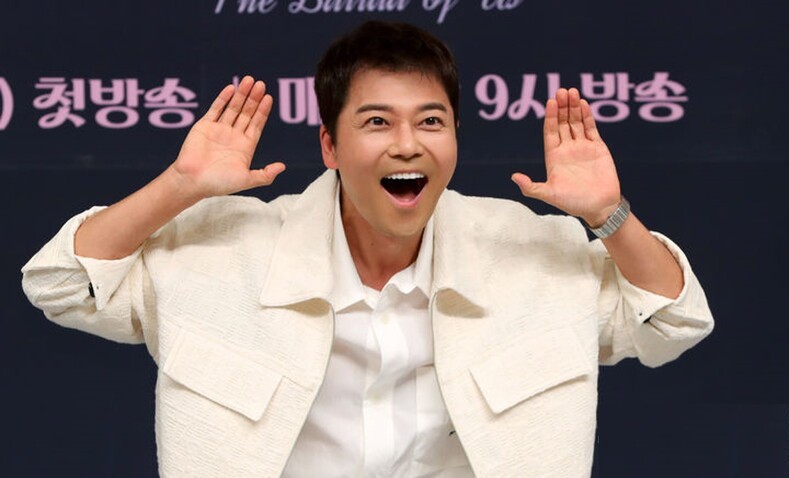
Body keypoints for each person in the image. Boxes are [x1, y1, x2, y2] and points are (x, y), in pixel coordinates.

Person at [21, 20, 713, 477]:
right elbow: (60, 284)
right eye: (377, 122)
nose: (407, 144)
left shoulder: (533, 252)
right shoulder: (219, 253)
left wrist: (608, 216)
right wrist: (180, 186)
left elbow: (673, 324)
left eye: (431, 122)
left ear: (454, 139)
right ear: (329, 145)